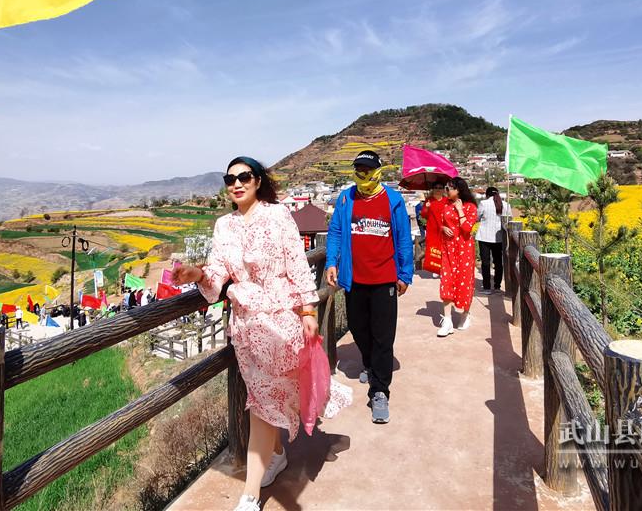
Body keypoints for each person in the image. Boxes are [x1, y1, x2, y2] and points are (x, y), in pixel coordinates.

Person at [175, 156, 350, 511]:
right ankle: (277, 453)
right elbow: (217, 274)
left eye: (244, 177)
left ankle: (250, 494)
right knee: (265, 398)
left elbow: (296, 264)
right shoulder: (224, 226)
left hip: (280, 323)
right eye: (230, 179)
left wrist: (308, 309)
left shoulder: (277, 215)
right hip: (246, 329)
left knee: (263, 405)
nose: (237, 184)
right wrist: (196, 274)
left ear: (258, 181)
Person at [324, 150, 414, 424]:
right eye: (359, 170)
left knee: (383, 337)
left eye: (367, 170)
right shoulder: (346, 198)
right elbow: (335, 232)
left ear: (378, 172)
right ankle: (371, 364)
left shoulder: (393, 200)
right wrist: (331, 262)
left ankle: (379, 391)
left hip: (385, 279)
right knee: (359, 329)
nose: (363, 175)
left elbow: (403, 238)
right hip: (354, 279)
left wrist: (405, 274)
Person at [437, 177, 478, 337]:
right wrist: (443, 228)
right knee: (446, 281)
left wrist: (460, 210)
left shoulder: (470, 207)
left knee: (464, 281)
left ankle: (465, 314)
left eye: (449, 188)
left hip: (464, 250)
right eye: (446, 188)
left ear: (459, 190)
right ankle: (447, 321)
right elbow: (441, 223)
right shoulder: (446, 205)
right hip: (448, 249)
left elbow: (467, 229)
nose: (446, 191)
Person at [476, 186, 512, 294]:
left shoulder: (483, 203)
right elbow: (510, 220)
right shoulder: (506, 205)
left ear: (487, 195)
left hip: (484, 237)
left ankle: (487, 287)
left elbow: (477, 218)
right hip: (499, 238)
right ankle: (497, 287)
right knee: (498, 262)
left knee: (485, 262)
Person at [421, 181, 448, 277]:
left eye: (440, 187)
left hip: (444, 228)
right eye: (436, 187)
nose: (438, 189)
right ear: (433, 189)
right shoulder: (429, 201)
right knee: (433, 248)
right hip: (432, 229)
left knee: (444, 248)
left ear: (443, 189)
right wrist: (427, 207)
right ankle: (435, 269)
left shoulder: (447, 201)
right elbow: (424, 215)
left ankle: (444, 268)